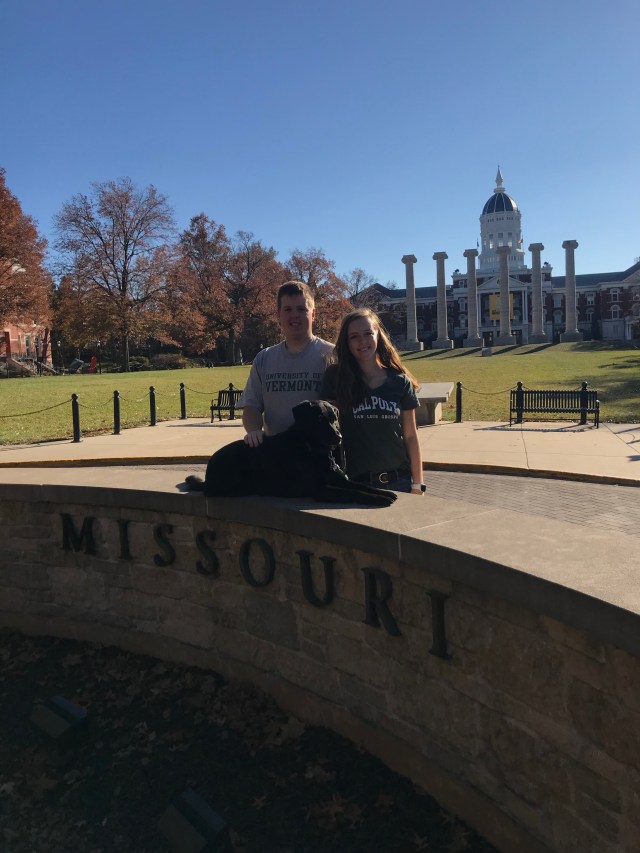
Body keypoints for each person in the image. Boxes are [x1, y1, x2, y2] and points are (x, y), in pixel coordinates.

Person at [321, 308, 425, 495]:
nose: (362, 341)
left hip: (400, 481)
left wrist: (418, 484)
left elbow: (410, 436)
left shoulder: (399, 381)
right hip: (359, 484)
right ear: (346, 342)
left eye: (368, 333)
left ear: (378, 334)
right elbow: (329, 434)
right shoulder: (336, 378)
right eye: (354, 336)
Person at [239, 280, 334, 447]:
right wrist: (254, 431)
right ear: (279, 316)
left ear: (313, 314)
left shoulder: (333, 355)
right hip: (276, 454)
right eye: (288, 309)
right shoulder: (264, 358)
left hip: (319, 455)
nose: (294, 315)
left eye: (301, 309)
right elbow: (251, 405)